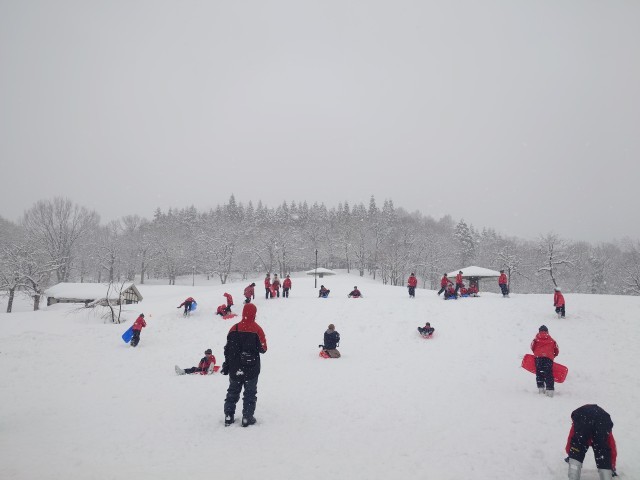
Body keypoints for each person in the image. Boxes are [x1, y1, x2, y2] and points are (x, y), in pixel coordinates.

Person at [222, 302, 268, 427]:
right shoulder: (257, 329)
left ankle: (228, 416)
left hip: (235, 367)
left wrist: (227, 363)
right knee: (250, 393)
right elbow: (263, 349)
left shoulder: (234, 328)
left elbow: (227, 349)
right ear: (254, 314)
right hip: (251, 368)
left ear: (243, 312)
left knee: (232, 391)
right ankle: (247, 417)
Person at [565, 404, 617, 480]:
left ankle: (574, 474)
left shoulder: (581, 426)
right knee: (603, 449)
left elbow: (571, 438)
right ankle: (606, 475)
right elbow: (611, 446)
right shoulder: (602, 429)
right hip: (602, 419)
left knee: (577, 445)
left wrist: (571, 454)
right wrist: (612, 465)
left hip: (583, 416)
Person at [530, 325, 559, 397]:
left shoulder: (536, 339)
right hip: (548, 358)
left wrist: (537, 353)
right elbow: (557, 350)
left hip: (538, 358)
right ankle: (550, 390)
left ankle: (541, 388)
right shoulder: (552, 340)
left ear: (539, 331)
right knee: (549, 373)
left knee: (539, 373)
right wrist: (553, 355)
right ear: (547, 331)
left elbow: (532, 347)